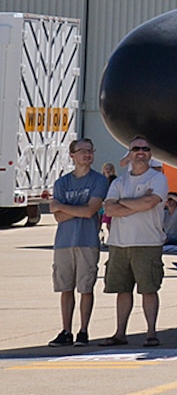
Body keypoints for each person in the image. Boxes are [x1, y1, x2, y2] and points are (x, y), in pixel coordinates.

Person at [100, 135, 169, 346]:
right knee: (122, 289)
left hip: (148, 242)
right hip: (119, 243)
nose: (141, 152)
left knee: (148, 289)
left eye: (145, 149)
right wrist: (133, 203)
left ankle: (151, 332)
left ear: (150, 154)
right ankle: (120, 333)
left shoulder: (158, 179)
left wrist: (123, 203)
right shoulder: (120, 181)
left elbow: (150, 203)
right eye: (136, 148)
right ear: (129, 155)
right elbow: (109, 209)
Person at [48, 137, 109, 346]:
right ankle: (66, 330)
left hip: (87, 240)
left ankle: (83, 330)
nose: (87, 154)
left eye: (90, 150)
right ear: (72, 155)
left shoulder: (99, 180)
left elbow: (90, 210)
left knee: (85, 287)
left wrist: (63, 206)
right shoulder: (62, 183)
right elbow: (57, 217)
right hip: (64, 241)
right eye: (82, 151)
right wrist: (76, 210)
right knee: (65, 287)